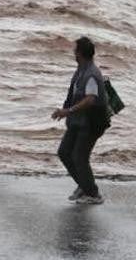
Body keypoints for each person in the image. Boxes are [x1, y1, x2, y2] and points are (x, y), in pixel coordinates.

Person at [52, 37, 108, 205]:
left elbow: (90, 99)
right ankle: (84, 186)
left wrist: (68, 111)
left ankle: (93, 194)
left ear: (80, 54)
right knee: (64, 152)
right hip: (77, 122)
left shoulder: (91, 74)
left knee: (79, 157)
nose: (73, 53)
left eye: (75, 50)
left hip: (90, 123)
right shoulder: (81, 70)